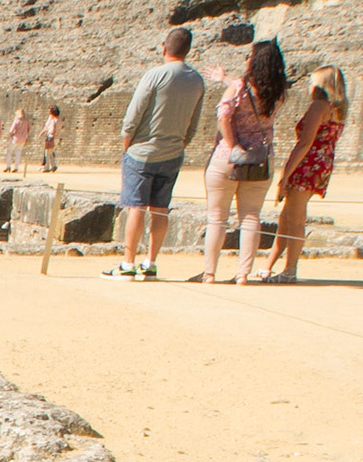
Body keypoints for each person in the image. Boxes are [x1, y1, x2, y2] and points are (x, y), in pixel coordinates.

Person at [104, 27, 206, 281]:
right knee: (160, 209)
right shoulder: (197, 80)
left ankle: (128, 264)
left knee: (136, 207)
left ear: (164, 48)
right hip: (173, 151)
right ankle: (150, 263)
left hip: (142, 151)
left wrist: (126, 143)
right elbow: (193, 122)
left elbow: (134, 113)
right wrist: (182, 145)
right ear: (188, 50)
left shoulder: (155, 74)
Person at [200, 39, 289, 284]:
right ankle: (243, 274)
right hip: (261, 158)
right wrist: (224, 77)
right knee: (251, 216)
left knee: (217, 217)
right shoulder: (279, 92)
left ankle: (209, 273)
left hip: (228, 157)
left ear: (255, 61)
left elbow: (224, 115)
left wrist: (232, 144)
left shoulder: (240, 87)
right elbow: (249, 90)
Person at [262, 65, 348, 282]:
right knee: (286, 216)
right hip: (321, 164)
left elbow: (304, 143)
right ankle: (268, 266)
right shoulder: (338, 109)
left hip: (308, 164)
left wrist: (285, 175)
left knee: (296, 218)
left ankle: (290, 269)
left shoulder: (319, 106)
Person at [41, 105, 61, 171]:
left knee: (47, 153)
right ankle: (54, 165)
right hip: (57, 138)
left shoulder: (53, 120)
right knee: (51, 153)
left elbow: (52, 130)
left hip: (51, 138)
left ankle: (46, 167)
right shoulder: (59, 120)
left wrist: (49, 135)